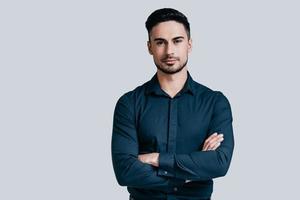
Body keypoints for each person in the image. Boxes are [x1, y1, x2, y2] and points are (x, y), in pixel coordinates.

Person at [111, 8, 234, 200]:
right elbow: (125, 171)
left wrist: (156, 159)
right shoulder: (129, 103)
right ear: (149, 47)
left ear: (189, 45)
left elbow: (219, 163)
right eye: (160, 42)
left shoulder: (215, 103)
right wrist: (190, 173)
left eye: (177, 41)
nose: (169, 51)